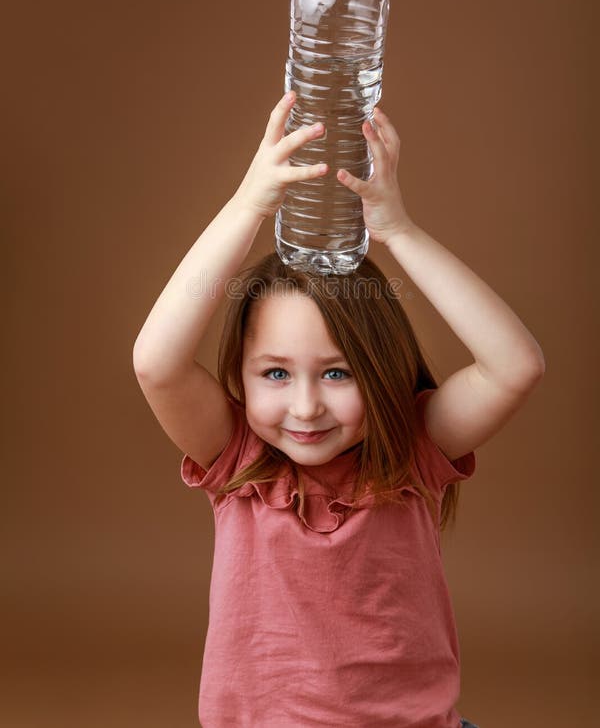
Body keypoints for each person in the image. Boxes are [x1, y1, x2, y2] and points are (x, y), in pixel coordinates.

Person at [133, 90, 545, 727]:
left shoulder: (413, 449)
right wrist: (249, 205)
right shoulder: (238, 456)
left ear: (380, 369)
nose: (305, 406)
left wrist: (398, 231)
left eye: (337, 373)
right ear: (240, 377)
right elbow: (155, 362)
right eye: (275, 373)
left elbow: (515, 366)